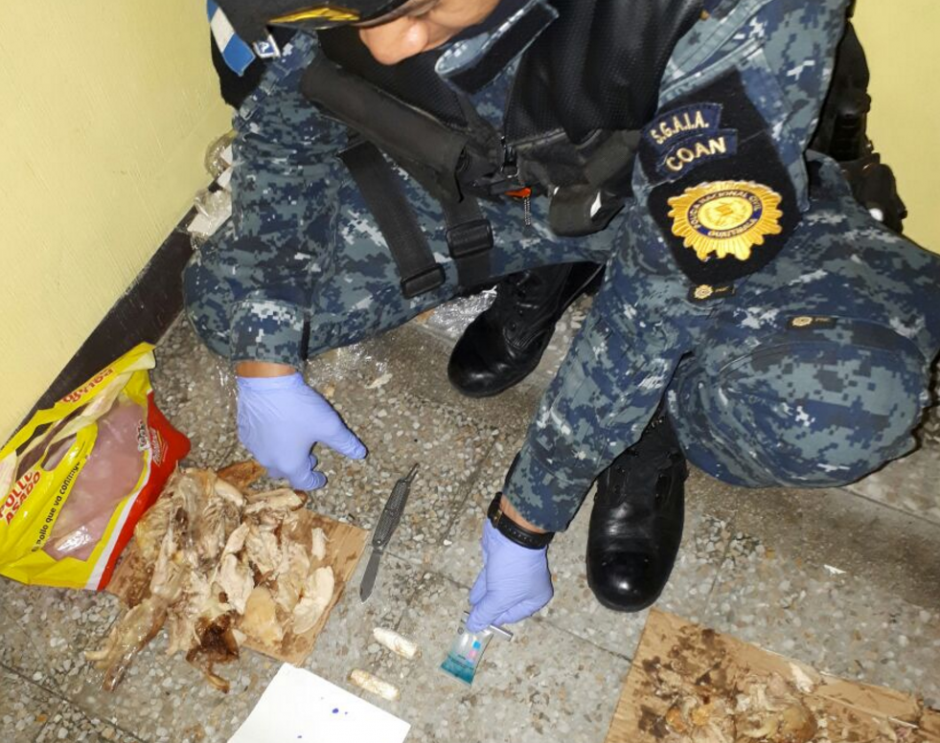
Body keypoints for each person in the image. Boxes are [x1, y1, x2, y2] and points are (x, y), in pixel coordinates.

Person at [186, 0, 940, 632]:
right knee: (233, 296)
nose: (388, 42)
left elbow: (657, 302)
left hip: (693, 198)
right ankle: (558, 263)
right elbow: (286, 123)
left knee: (841, 406)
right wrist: (265, 360)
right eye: (354, 12)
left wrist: (525, 516)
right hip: (496, 180)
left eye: (416, 5)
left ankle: (657, 420)